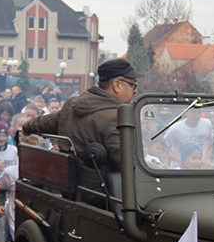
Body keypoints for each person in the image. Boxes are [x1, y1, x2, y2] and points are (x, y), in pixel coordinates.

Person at [22, 58, 142, 208]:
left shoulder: (73, 105)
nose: (135, 90)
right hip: (103, 198)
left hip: (73, 190)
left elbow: (47, 122)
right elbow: (126, 164)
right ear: (117, 85)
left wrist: (27, 127)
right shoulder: (115, 117)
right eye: (133, 85)